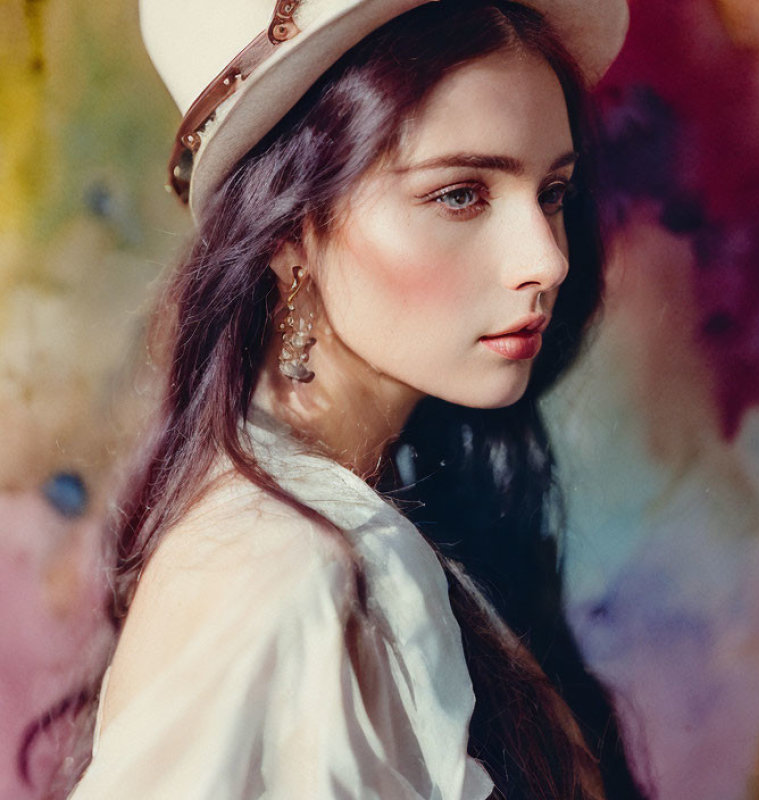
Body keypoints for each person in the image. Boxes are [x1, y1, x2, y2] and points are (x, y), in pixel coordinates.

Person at [55, 0, 644, 798]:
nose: (547, 260)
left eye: (552, 193)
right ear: (290, 234)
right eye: (460, 195)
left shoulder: (354, 522)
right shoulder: (287, 573)